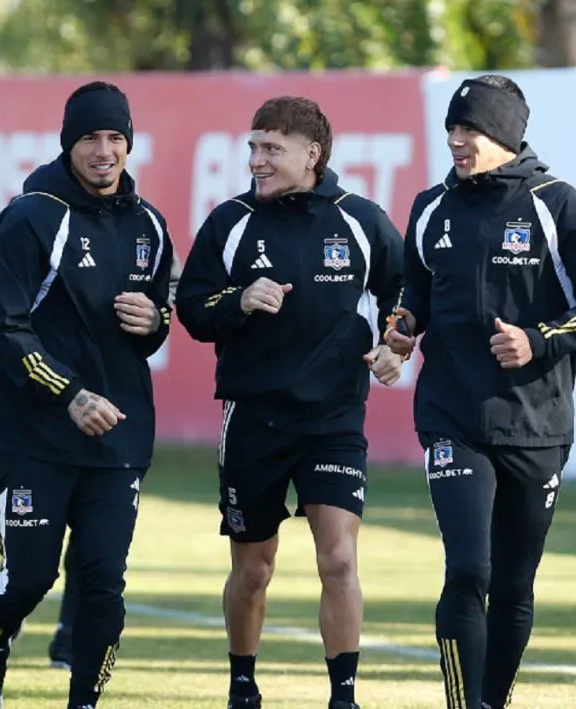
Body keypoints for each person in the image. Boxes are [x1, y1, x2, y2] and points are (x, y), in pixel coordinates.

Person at [384, 73, 576, 709]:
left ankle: (493, 700)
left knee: (514, 586)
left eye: (470, 129)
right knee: (469, 569)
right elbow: (415, 293)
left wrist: (537, 340)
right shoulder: (430, 206)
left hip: (537, 426)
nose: (455, 141)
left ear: (506, 135)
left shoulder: (561, 206)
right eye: (451, 129)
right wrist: (400, 332)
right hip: (452, 416)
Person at [175, 96, 406, 709]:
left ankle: (344, 697)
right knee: (254, 569)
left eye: (271, 149)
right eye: (252, 147)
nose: (256, 160)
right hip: (253, 418)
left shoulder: (361, 220)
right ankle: (242, 687)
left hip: (334, 419)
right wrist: (239, 300)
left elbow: (404, 298)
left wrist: (396, 346)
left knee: (339, 560)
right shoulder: (229, 222)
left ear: (312, 154)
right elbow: (193, 309)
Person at [0, 81, 175, 709]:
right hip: (36, 435)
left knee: (103, 584)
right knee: (29, 578)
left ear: (129, 143)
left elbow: (156, 324)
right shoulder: (33, 216)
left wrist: (155, 320)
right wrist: (70, 394)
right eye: (90, 139)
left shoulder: (150, 225)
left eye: (115, 138)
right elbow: (5, 328)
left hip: (119, 438)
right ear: (68, 144)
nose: (104, 151)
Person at [0, 213, 79, 670]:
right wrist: (21, 306)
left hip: (103, 391)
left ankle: (70, 641)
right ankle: (9, 594)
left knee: (94, 538)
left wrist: (152, 311)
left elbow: (167, 282)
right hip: (28, 395)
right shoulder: (27, 213)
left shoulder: (132, 219)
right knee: (30, 543)